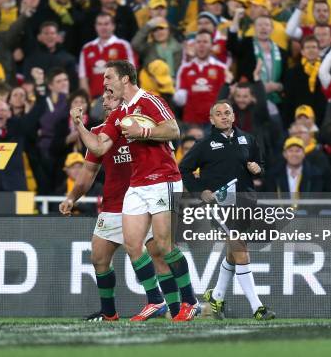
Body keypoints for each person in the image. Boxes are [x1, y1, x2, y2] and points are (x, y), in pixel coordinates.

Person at [72, 60, 199, 321]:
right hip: (138, 185)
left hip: (163, 178)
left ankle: (190, 300)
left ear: (125, 79)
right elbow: (98, 148)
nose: (104, 83)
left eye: (108, 78)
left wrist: (142, 130)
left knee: (163, 246)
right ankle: (156, 301)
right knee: (133, 245)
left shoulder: (150, 100)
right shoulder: (120, 114)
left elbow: (174, 130)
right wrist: (80, 126)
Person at [60, 91, 181, 320]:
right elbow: (87, 173)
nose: (105, 101)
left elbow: (168, 157)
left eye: (110, 96)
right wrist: (71, 198)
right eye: (103, 98)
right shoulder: (97, 135)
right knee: (99, 256)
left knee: (157, 254)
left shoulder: (141, 126)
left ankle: (174, 311)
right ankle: (109, 314)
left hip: (146, 198)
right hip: (115, 203)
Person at [179, 100, 276, 320]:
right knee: (240, 247)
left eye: (227, 113)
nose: (224, 116)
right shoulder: (204, 144)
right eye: (218, 114)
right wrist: (200, 191)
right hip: (220, 204)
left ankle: (217, 295)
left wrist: (257, 169)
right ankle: (257, 307)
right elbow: (183, 169)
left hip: (246, 201)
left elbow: (261, 167)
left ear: (233, 116)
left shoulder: (248, 139)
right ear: (211, 119)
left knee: (234, 251)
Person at [174, 30, 227, 126]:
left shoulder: (221, 68)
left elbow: (224, 96)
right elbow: (179, 98)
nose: (201, 45)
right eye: (198, 42)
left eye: (205, 42)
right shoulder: (185, 68)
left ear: (212, 45)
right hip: (191, 122)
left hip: (214, 122)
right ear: (194, 45)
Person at [79, 13, 136, 99]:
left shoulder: (123, 45)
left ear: (113, 26)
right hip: (96, 100)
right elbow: (83, 78)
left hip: (119, 99)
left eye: (106, 24)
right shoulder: (87, 48)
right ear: (95, 27)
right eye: (100, 24)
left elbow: (131, 74)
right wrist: (88, 101)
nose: (103, 27)